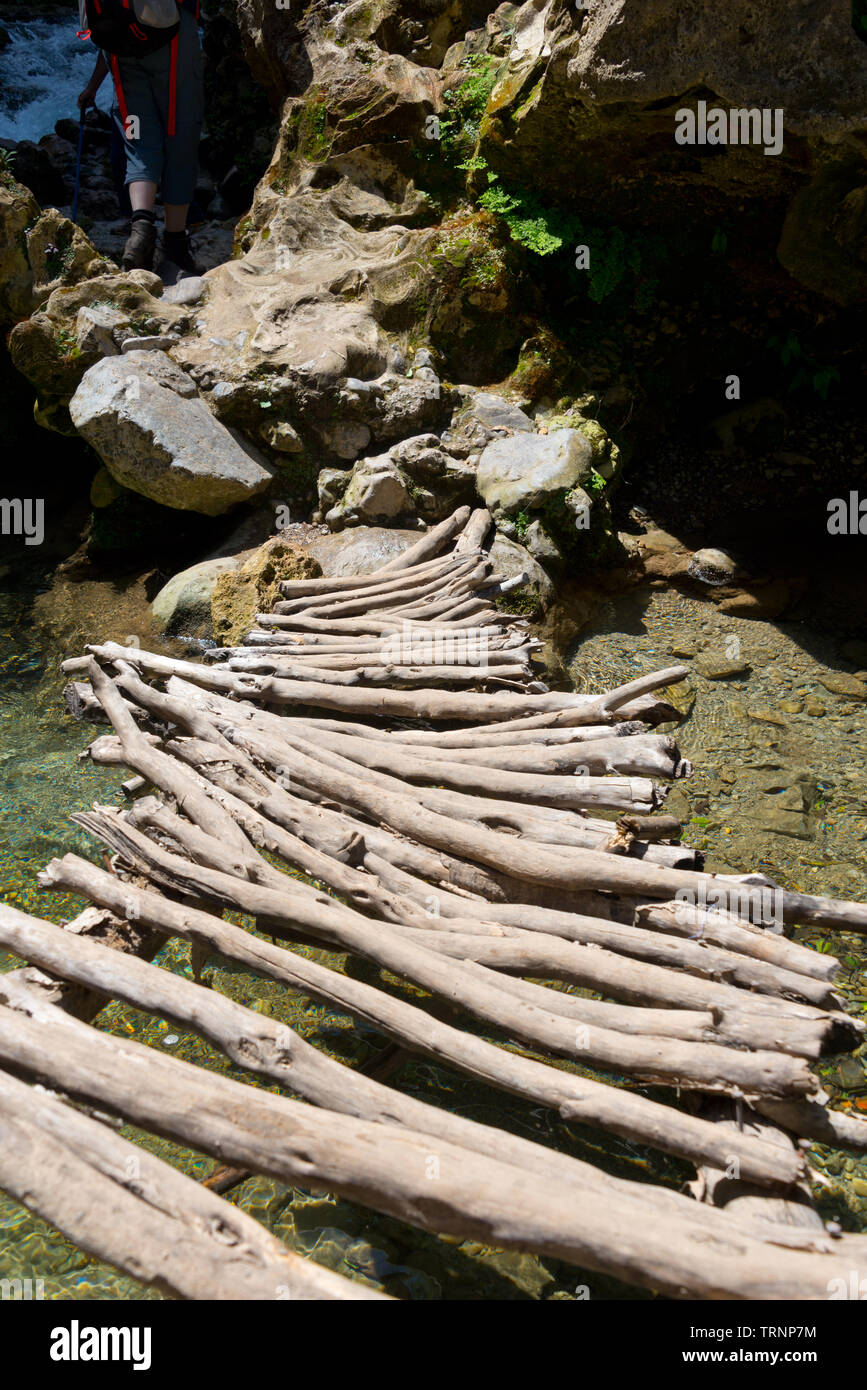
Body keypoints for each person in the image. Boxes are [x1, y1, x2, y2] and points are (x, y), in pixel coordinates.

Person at [77, 0, 203, 274]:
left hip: (119, 44)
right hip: (171, 37)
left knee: (137, 139)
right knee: (178, 132)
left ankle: (141, 230)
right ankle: (175, 242)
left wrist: (92, 86)